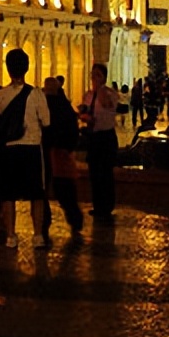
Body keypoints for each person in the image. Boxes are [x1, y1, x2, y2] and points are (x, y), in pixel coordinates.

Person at [0, 48, 50, 249]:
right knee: (36, 193)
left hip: (8, 150)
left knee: (8, 193)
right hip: (31, 149)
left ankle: (11, 235)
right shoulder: (36, 94)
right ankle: (37, 235)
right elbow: (46, 121)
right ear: (27, 68)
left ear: (8, 68)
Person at [41, 76, 84, 240]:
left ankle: (44, 221)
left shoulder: (43, 105)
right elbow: (73, 130)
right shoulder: (65, 106)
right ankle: (75, 219)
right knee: (65, 191)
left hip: (46, 152)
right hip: (61, 154)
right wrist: (69, 148)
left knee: (42, 190)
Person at [83, 62, 120, 225]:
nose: (94, 78)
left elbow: (107, 105)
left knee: (105, 172)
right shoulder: (88, 95)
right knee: (94, 172)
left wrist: (99, 89)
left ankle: (107, 206)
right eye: (93, 74)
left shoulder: (110, 93)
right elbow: (85, 110)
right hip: (93, 136)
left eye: (98, 75)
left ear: (104, 77)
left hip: (106, 137)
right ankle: (97, 205)